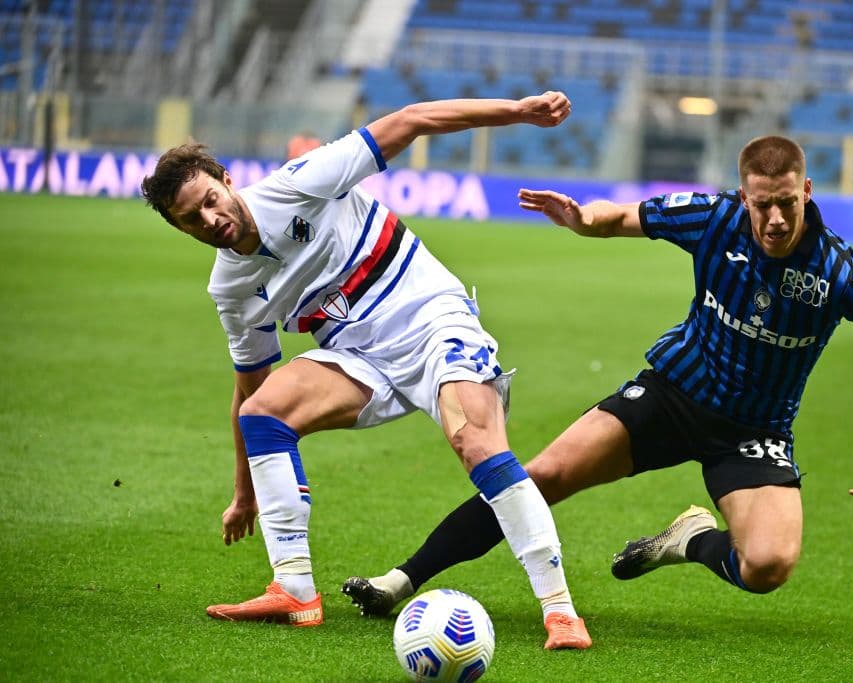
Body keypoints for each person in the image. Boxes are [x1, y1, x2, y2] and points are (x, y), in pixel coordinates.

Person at [342, 134, 853, 615]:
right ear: (744, 195)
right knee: (543, 473)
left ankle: (686, 542)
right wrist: (581, 219)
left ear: (806, 192)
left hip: (754, 434)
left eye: (788, 202)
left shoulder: (837, 273)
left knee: (768, 567)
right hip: (671, 396)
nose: (776, 219)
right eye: (763, 204)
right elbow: (620, 217)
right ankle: (401, 580)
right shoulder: (713, 218)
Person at [139, 91, 592, 650]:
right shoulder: (229, 289)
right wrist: (245, 491)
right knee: (263, 413)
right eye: (192, 219)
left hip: (433, 323)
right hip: (358, 358)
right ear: (181, 229)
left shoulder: (298, 183)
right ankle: (294, 589)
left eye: (211, 199)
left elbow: (411, 119)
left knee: (477, 446)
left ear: (227, 180)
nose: (211, 218)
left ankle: (560, 611)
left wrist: (517, 113)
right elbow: (250, 388)